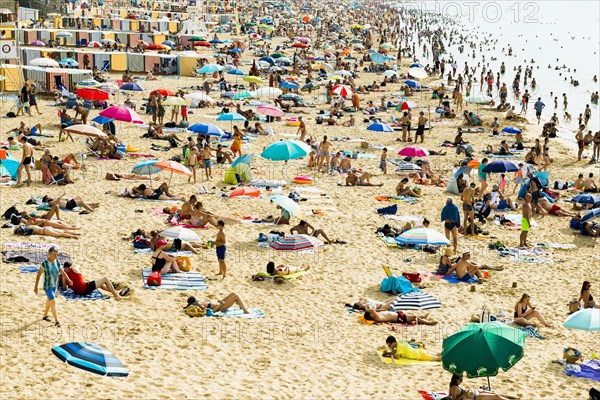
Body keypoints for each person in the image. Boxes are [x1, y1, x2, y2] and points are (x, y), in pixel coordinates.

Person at [34, 247, 72, 327]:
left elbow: (62, 271)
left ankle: (44, 316)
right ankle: (56, 321)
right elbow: (38, 275)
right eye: (54, 254)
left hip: (54, 285)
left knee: (49, 300)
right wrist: (36, 287)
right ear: (49, 254)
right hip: (47, 286)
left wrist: (68, 279)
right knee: (53, 300)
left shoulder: (57, 261)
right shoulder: (44, 263)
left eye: (57, 255)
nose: (56, 256)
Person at [449, 374, 520, 400]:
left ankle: (514, 398)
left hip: (475, 392)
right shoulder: (454, 387)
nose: (462, 381)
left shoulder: (454, 386)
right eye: (461, 379)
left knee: (495, 394)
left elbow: (450, 395)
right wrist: (463, 396)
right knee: (496, 396)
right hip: (474, 396)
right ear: (455, 379)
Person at [363, 307, 438, 325]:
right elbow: (372, 310)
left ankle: (422, 317)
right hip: (399, 318)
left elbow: (377, 310)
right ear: (371, 316)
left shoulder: (377, 315)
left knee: (413, 315)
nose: (372, 313)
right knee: (415, 318)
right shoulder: (378, 318)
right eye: (371, 314)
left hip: (398, 314)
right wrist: (368, 310)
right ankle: (428, 322)